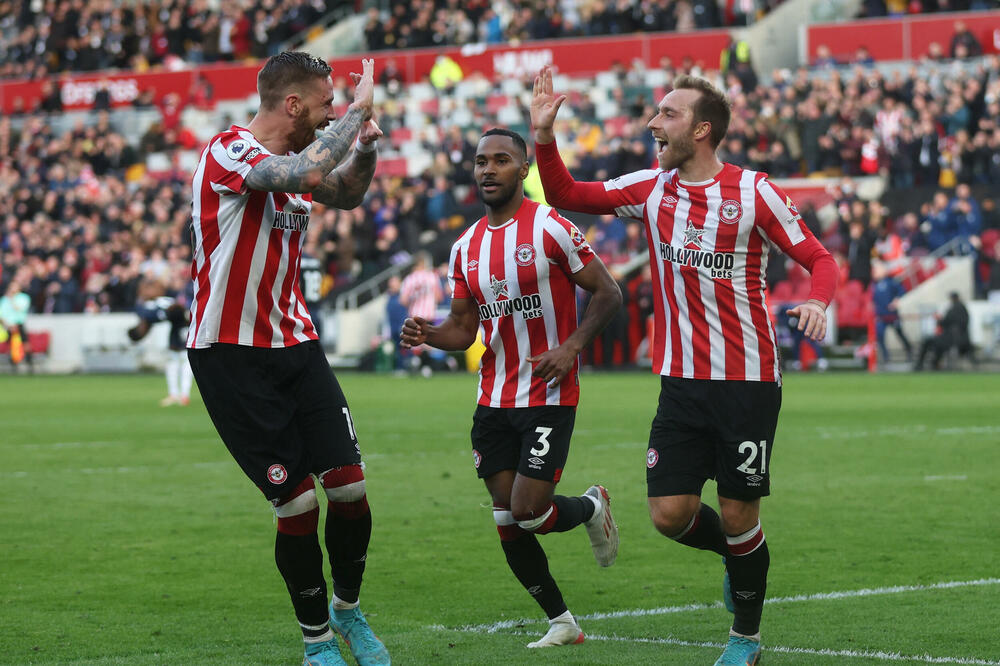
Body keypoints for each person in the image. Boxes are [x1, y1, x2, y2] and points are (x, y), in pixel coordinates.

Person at [530, 66, 839, 666]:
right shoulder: (651, 188)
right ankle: (737, 558)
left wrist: (818, 301)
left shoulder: (755, 192)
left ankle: (745, 639)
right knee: (670, 515)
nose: (653, 122)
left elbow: (819, 258)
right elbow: (566, 194)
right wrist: (544, 136)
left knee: (739, 514)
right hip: (680, 382)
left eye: (667, 114)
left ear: (701, 130)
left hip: (747, 381)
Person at [185, 52, 389, 666]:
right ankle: (316, 642)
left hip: (294, 343)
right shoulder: (230, 151)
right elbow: (307, 169)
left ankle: (347, 610)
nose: (331, 114)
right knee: (297, 502)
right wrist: (356, 112)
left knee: (350, 488)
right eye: (325, 104)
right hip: (231, 355)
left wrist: (365, 144)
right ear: (293, 104)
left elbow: (346, 191)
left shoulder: (297, 164)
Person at [399, 128, 623, 649]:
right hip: (492, 400)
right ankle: (562, 622)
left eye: (501, 160)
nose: (488, 169)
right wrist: (429, 334)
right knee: (507, 518)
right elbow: (463, 329)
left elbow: (608, 292)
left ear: (523, 170)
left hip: (548, 395)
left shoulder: (552, 228)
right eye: (481, 161)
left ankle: (591, 507)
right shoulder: (464, 248)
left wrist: (571, 347)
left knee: (529, 511)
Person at [127, 289, 194, 406]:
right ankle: (177, 395)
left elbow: (172, 312)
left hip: (183, 322)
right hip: (179, 324)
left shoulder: (147, 312)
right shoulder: (150, 308)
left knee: (184, 361)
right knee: (175, 362)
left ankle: (182, 395)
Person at [399, 251, 443, 375]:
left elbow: (403, 300)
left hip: (415, 316)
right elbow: (439, 297)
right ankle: (425, 367)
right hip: (428, 315)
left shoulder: (410, 278)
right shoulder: (432, 277)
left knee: (415, 342)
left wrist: (414, 298)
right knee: (427, 343)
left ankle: (416, 363)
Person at [914, 292, 973, 371]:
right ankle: (934, 363)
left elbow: (946, 321)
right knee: (938, 345)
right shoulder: (962, 308)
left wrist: (939, 320)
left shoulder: (954, 308)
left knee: (929, 342)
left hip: (951, 338)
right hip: (956, 338)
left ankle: (921, 364)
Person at [871, 261, 913, 364]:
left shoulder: (891, 281)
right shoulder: (873, 284)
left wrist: (896, 301)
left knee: (899, 333)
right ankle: (886, 357)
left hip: (892, 315)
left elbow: (902, 291)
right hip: (880, 316)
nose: (875, 271)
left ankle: (909, 349)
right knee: (880, 335)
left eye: (877, 269)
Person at [0, 279, 32, 368]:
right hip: (7, 326)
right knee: (10, 345)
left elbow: (19, 309)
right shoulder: (4, 299)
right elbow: (1, 314)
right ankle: (13, 363)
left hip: (19, 325)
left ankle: (29, 362)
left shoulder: (23, 297)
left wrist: (12, 299)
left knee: (25, 343)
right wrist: (7, 325)